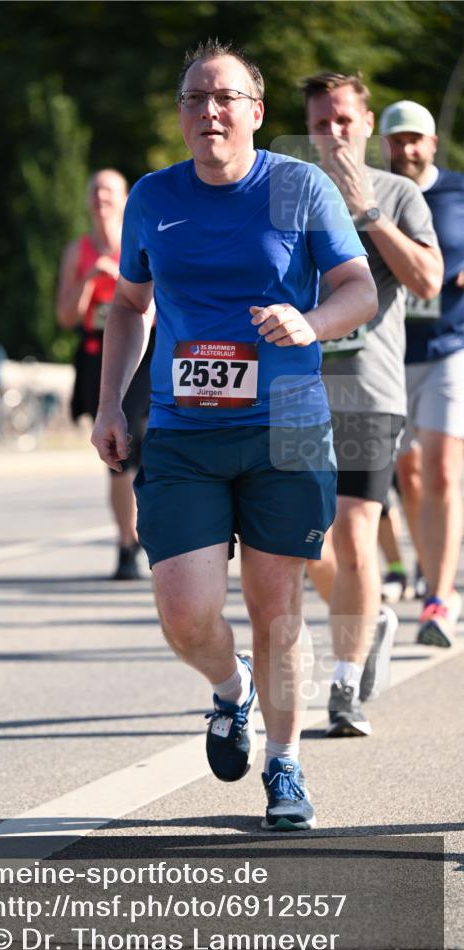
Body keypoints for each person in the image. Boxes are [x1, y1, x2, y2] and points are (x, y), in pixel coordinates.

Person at [91, 40, 377, 831]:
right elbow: (129, 304)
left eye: (224, 98)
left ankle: (284, 763)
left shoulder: (299, 187)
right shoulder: (153, 196)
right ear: (180, 114)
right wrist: (110, 403)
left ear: (255, 111)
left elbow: (357, 288)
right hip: (183, 431)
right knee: (184, 613)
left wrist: (310, 321)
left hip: (286, 429)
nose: (208, 111)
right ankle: (231, 688)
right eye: (194, 98)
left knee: (275, 605)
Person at [301, 73, 443, 735]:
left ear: (366, 126)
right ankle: (370, 619)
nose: (333, 134)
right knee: (303, 542)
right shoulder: (286, 194)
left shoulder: (398, 192)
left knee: (356, 529)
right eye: (320, 124)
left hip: (367, 388)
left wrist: (368, 213)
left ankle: (343, 685)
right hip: (295, 391)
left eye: (343, 121)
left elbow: (427, 280)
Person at [379, 100, 464, 647]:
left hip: (449, 348)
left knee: (442, 473)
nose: (407, 149)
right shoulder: (371, 196)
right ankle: (421, 564)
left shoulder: (458, 191)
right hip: (388, 353)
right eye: (397, 139)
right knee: (406, 478)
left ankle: (439, 596)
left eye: (416, 139)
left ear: (432, 143)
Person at [57, 170, 153, 581]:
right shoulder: (77, 251)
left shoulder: (141, 241)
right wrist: (89, 280)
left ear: (125, 198)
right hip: (99, 356)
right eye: (94, 191)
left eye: (109, 191)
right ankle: (126, 543)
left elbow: (162, 303)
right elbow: (66, 317)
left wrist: (121, 284)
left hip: (145, 352)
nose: (101, 198)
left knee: (147, 445)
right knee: (119, 451)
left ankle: (147, 533)